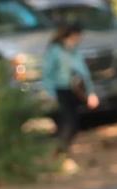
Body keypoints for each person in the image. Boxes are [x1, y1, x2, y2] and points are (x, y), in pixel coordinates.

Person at [42, 22, 99, 163]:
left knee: (74, 123)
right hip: (61, 90)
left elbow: (84, 74)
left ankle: (62, 152)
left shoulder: (75, 52)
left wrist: (91, 92)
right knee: (68, 123)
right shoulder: (55, 51)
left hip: (75, 90)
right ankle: (60, 154)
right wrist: (51, 92)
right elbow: (47, 74)